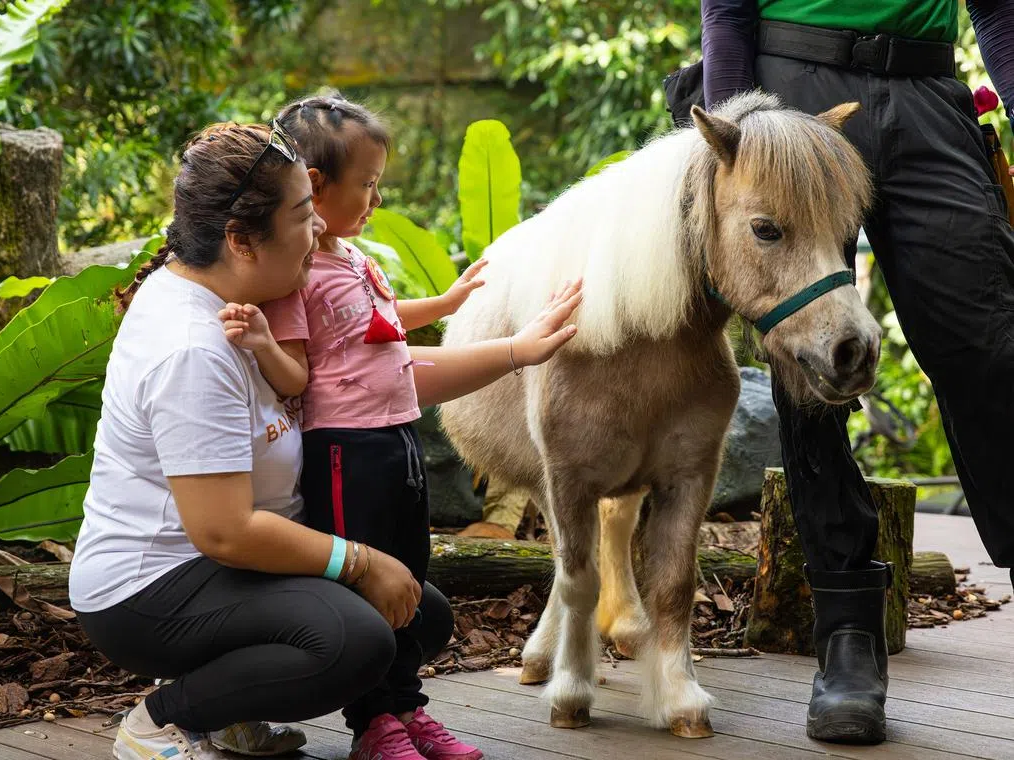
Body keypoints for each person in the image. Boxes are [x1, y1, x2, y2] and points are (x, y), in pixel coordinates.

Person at [67, 121, 583, 760]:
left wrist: (513, 350)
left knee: (419, 616)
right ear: (241, 241)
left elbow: (373, 385)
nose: (318, 232)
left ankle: (230, 711)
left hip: (223, 570)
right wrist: (360, 562)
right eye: (303, 215)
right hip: (153, 589)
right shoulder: (192, 348)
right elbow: (223, 532)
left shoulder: (249, 309)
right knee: (356, 642)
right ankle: (163, 719)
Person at [664, 0, 1014, 746]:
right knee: (808, 369)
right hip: (796, 86)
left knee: (990, 350)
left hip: (929, 99)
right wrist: (737, 126)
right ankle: (848, 638)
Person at [216, 93, 525, 760]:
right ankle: (373, 724)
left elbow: (376, 325)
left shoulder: (356, 258)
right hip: (345, 452)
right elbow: (294, 376)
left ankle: (408, 709)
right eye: (369, 185)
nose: (376, 200)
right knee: (369, 584)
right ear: (315, 188)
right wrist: (264, 342)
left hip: (399, 438)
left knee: (410, 571)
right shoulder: (296, 275)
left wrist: (445, 303)